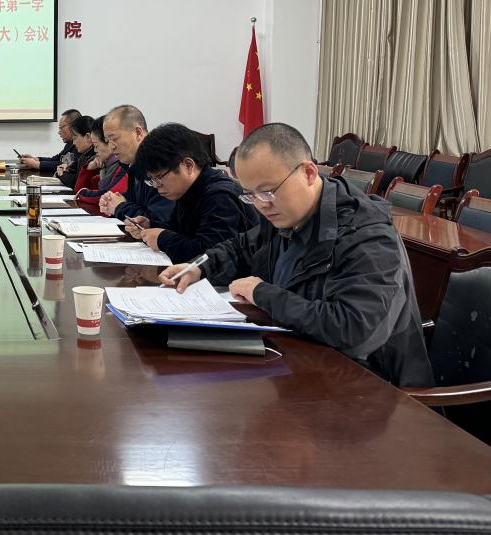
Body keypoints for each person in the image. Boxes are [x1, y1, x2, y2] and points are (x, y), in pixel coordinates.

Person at [160, 122, 432, 387]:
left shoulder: (367, 235)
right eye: (250, 195)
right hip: (303, 364)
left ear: (309, 173)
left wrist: (263, 293)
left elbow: (354, 330)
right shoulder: (285, 212)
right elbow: (243, 246)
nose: (261, 205)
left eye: (267, 191)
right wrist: (199, 267)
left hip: (372, 388)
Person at [122, 122, 259, 263]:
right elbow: (180, 232)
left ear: (188, 165)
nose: (156, 186)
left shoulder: (220, 196)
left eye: (159, 178)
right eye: (152, 180)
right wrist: (151, 225)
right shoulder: (187, 190)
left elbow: (211, 256)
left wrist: (162, 239)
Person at [98, 105, 174, 227]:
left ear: (138, 133)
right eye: (107, 141)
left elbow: (159, 220)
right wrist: (114, 201)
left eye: (114, 139)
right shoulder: (133, 164)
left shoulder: (160, 163)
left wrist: (120, 207)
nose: (111, 147)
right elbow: (138, 203)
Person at [74, 118, 128, 207]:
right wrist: (89, 169)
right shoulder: (104, 166)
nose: (95, 150)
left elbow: (106, 196)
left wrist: (82, 193)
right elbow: (78, 191)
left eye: (96, 146)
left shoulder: (123, 166)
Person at [19, 108, 80, 175]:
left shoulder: (80, 146)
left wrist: (36, 164)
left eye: (61, 127)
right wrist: (36, 159)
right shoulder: (69, 144)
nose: (59, 132)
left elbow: (66, 165)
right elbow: (57, 159)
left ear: (73, 126)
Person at [59, 115, 98, 190]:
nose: (73, 143)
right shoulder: (84, 155)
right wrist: (66, 169)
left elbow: (75, 182)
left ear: (88, 137)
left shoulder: (95, 157)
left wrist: (61, 174)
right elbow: (72, 170)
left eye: (75, 138)